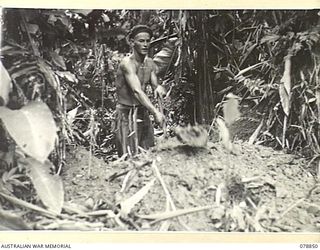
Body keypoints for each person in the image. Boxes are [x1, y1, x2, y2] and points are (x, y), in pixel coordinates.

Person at [114, 25, 166, 157]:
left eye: (148, 41)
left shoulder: (150, 63)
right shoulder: (127, 63)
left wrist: (158, 87)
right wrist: (155, 112)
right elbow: (137, 91)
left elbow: (155, 84)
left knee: (148, 155)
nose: (145, 44)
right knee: (128, 158)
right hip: (126, 114)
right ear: (132, 43)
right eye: (141, 41)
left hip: (142, 113)